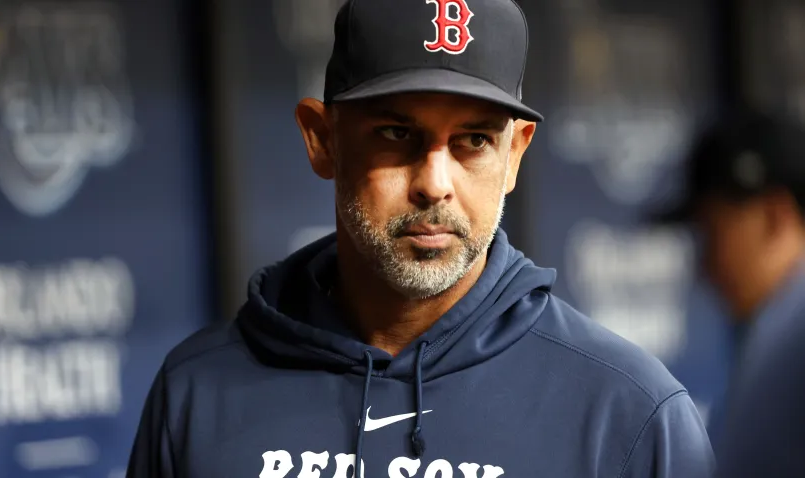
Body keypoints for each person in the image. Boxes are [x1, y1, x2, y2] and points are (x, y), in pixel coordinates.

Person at [127, 0, 714, 476]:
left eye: (474, 141)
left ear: (515, 155)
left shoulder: (629, 413)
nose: (435, 184)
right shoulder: (197, 393)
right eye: (395, 132)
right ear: (321, 139)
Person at [651, 110, 805, 477]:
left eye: (712, 232)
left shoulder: (793, 339)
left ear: (775, 217)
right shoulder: (773, 332)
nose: (705, 267)